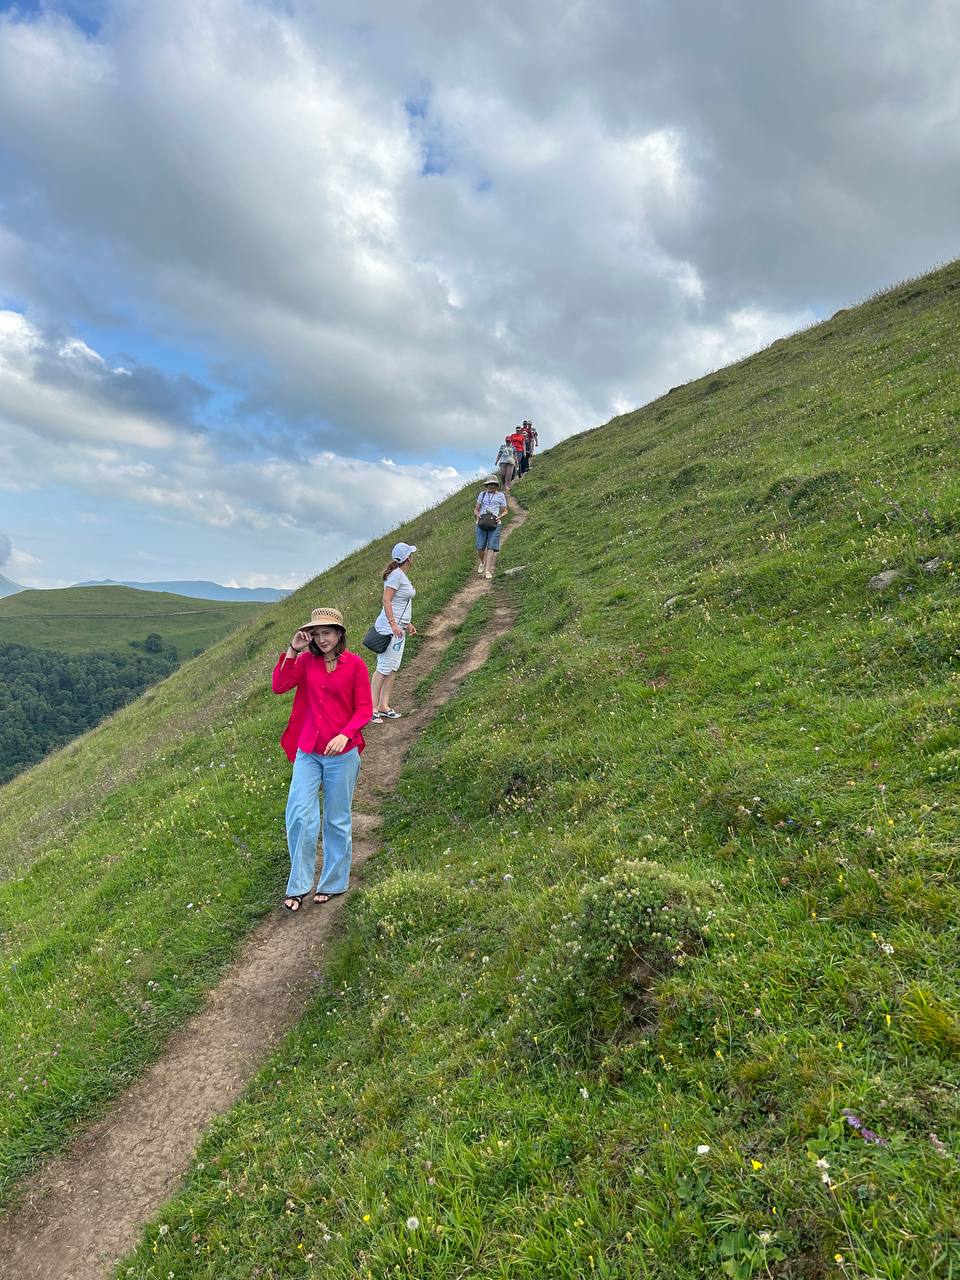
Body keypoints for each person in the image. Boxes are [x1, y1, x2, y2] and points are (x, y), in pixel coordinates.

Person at [272, 607, 373, 912]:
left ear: (339, 633)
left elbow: (364, 709)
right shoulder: (306, 662)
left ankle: (332, 882)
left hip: (342, 754)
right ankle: (299, 884)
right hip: (308, 751)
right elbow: (279, 686)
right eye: (316, 633)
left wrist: (346, 733)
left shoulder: (355, 665)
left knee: (336, 819)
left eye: (326, 632)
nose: (321, 638)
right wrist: (293, 649)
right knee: (300, 815)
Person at [369, 542, 418, 723]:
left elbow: (401, 603)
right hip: (390, 629)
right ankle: (371, 708)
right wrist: (393, 625)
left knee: (393, 667)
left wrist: (407, 624)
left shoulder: (400, 575)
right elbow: (387, 600)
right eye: (411, 555)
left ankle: (383, 705)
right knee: (383, 667)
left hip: (399, 629)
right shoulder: (397, 575)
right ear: (407, 558)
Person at [474, 475, 508, 579]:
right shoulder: (482, 494)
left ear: (496, 486)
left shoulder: (501, 495)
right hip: (482, 522)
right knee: (480, 546)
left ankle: (487, 570)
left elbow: (505, 510)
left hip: (495, 523)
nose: (491, 486)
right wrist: (477, 515)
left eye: (493, 484)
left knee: (491, 546)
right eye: (489, 485)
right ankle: (482, 562)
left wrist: (500, 517)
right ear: (486, 486)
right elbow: (476, 509)